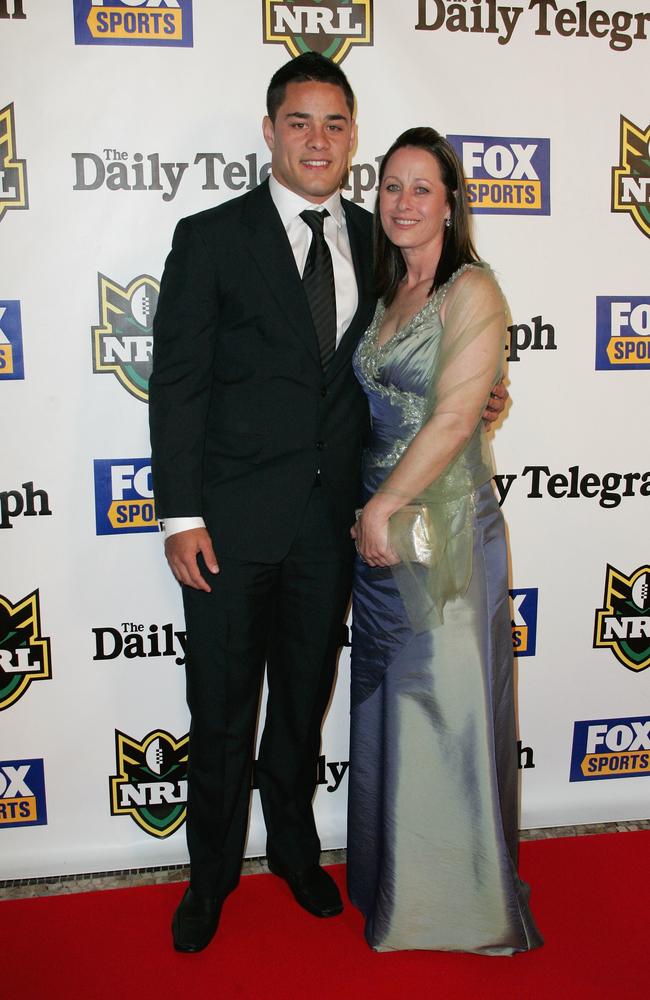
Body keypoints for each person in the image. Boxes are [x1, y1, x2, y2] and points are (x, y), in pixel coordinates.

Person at [149, 55, 506, 954]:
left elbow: (417, 356)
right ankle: (210, 878)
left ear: (354, 137)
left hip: (332, 529)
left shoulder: (381, 236)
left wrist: (480, 398)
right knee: (222, 711)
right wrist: (178, 513)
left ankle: (297, 855)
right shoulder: (211, 236)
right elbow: (179, 386)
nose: (318, 139)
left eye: (336, 124)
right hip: (227, 529)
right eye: (300, 122)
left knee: (304, 705)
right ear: (269, 131)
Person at [347, 127, 542, 955]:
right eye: (391, 186)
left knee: (446, 707)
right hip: (379, 526)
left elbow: (461, 415)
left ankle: (460, 900)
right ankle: (396, 876)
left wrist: (384, 505)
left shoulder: (474, 287)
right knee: (395, 703)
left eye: (422, 188)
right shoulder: (387, 286)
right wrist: (373, 510)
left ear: (451, 202)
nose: (403, 202)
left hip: (444, 527)